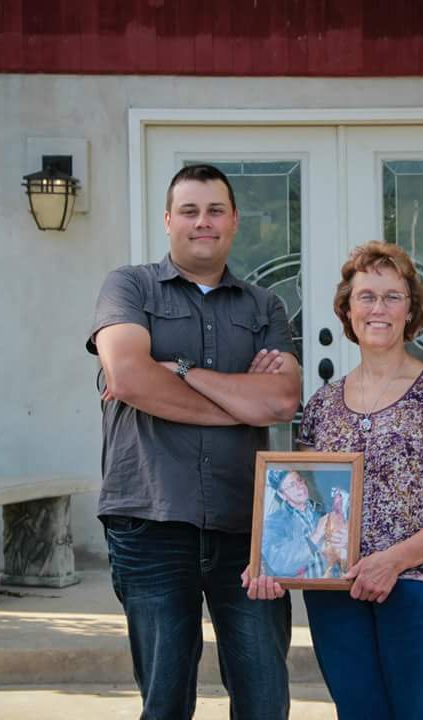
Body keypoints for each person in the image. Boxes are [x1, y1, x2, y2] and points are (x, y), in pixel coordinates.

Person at [244, 242, 423, 720]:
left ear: (411, 310)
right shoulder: (321, 406)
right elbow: (306, 509)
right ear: (347, 310)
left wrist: (393, 562)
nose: (378, 308)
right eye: (366, 297)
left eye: (392, 296)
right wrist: (273, 564)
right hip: (341, 598)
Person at [86, 164, 301, 720]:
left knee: (264, 701)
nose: (202, 222)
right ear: (168, 220)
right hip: (150, 520)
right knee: (164, 703)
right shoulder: (128, 287)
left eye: (214, 211)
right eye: (189, 211)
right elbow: (128, 378)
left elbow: (281, 401)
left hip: (248, 530)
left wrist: (179, 370)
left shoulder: (265, 306)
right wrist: (238, 402)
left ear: (234, 221)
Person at [261, 469, 344, 578]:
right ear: (282, 495)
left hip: (338, 581)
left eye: (299, 480)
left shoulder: (325, 510)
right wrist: (316, 535)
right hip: (308, 586)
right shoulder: (274, 523)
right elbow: (280, 564)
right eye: (292, 485)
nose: (300, 486)